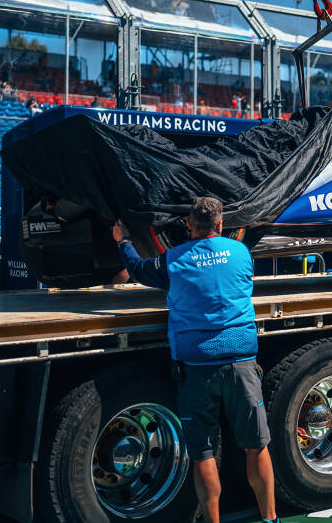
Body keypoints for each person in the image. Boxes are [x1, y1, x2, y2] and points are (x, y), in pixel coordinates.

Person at [112, 197, 278, 523]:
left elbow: (138, 269)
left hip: (196, 369)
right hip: (241, 364)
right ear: (220, 225)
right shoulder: (241, 254)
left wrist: (123, 242)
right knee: (256, 446)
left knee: (203, 454)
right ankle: (270, 519)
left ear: (189, 225)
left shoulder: (174, 261)